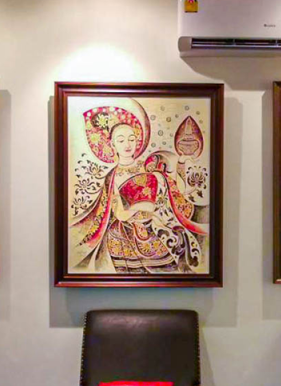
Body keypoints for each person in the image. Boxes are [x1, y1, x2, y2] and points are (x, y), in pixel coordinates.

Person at [70, 99, 205, 273]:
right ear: (112, 145)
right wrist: (141, 209)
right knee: (115, 238)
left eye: (131, 139)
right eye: (121, 140)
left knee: (177, 240)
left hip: (160, 221)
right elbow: (120, 213)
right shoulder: (113, 177)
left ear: (138, 141)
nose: (127, 144)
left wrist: (179, 167)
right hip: (130, 230)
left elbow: (175, 193)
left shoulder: (149, 166)